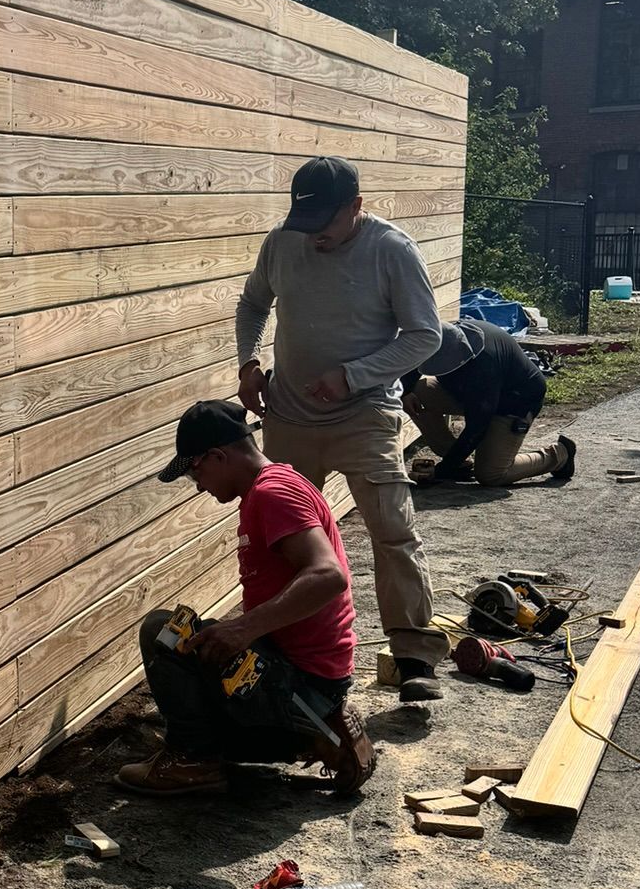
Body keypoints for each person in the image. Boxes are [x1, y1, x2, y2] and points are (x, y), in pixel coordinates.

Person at [235, 155, 446, 704]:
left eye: (325, 222)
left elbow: (425, 335)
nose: (315, 235)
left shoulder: (391, 250)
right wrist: (248, 362)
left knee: (392, 530)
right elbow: (253, 303)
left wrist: (353, 376)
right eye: (305, 222)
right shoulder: (283, 241)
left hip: (364, 416)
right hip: (289, 416)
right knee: (282, 538)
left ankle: (414, 654)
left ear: (356, 206)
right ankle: (285, 649)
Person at [118, 399, 376, 798]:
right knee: (194, 646)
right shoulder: (274, 486)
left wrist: (243, 629)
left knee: (161, 632)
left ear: (218, 456)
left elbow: (328, 576)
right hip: (306, 676)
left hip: (300, 680)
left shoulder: (274, 494)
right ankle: (320, 728)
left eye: (195, 472)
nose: (199, 485)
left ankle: (193, 762)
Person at [405, 318, 576, 487]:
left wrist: (441, 471)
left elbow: (476, 428)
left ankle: (560, 455)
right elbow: (414, 365)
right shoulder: (444, 337)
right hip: (473, 395)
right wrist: (405, 392)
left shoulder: (483, 367)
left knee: (490, 475)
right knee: (418, 392)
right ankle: (458, 463)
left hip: (514, 404)